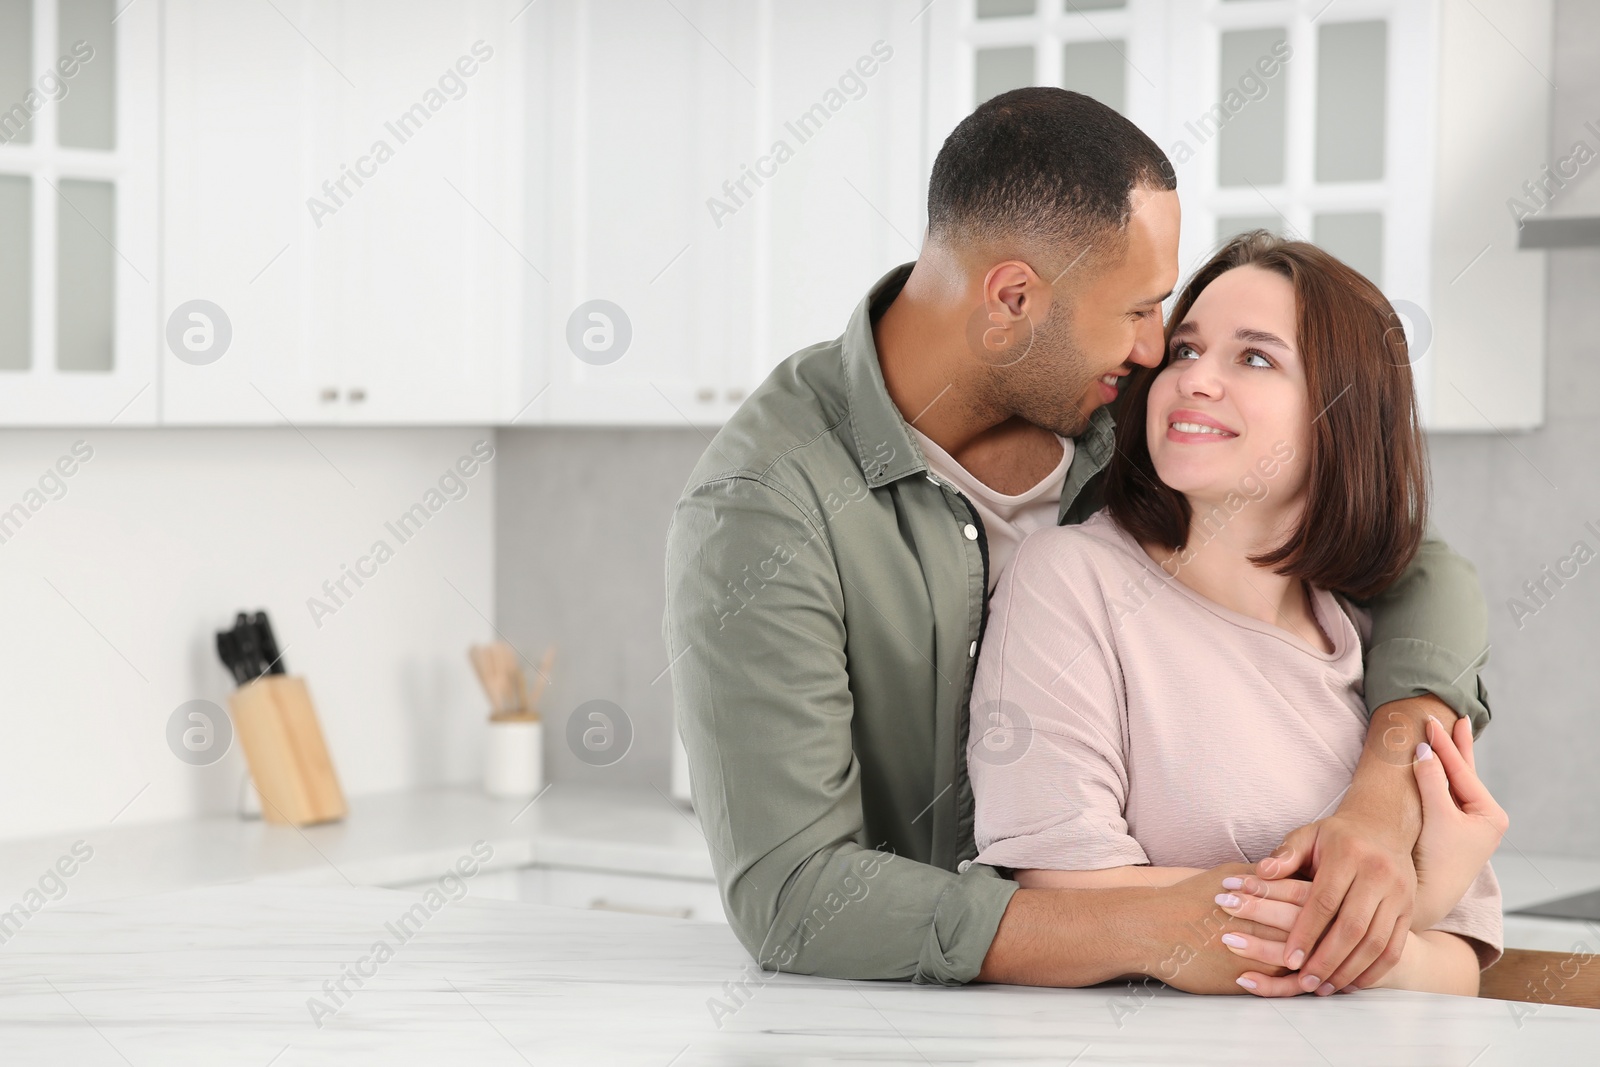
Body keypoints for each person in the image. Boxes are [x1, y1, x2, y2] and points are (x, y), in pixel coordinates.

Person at [662, 87, 1492, 993]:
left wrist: (1381, 795)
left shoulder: (1124, 411)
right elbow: (794, 896)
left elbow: (1401, 555)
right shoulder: (768, 503)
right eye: (1141, 311)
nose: (1158, 349)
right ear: (1014, 297)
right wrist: (1159, 927)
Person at [967, 232, 1507, 997]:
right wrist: (1412, 898)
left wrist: (1413, 917)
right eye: (1184, 351)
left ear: (1343, 418)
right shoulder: (1068, 582)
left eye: (1254, 358)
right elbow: (1067, 893)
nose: (1195, 381)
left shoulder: (1369, 643)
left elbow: (1457, 963)